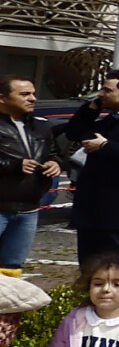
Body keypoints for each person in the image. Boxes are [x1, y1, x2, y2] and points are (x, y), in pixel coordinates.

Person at [56, 69, 119, 264]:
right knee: (89, 266)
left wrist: (106, 146)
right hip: (92, 207)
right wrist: (91, 109)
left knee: (117, 265)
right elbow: (73, 132)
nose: (101, 94)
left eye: (107, 90)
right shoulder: (111, 118)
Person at [0, 75, 60, 277]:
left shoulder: (41, 126)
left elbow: (53, 154)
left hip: (29, 208)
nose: (33, 98)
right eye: (24, 94)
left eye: (33, 93)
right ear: (3, 98)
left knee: (13, 268)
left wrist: (55, 163)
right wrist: (14, 165)